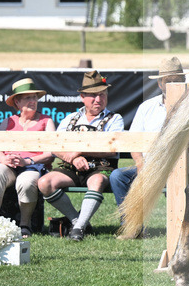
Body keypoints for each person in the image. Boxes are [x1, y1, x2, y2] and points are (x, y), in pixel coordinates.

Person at [109, 57, 189, 219]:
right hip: (149, 167)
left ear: (184, 82)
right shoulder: (147, 107)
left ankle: (186, 223)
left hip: (184, 168)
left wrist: (179, 168)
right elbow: (134, 142)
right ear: (160, 84)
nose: (172, 85)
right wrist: (140, 163)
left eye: (177, 80)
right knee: (118, 177)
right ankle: (131, 225)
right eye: (168, 81)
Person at [38, 70, 125, 241]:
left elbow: (112, 149)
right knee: (44, 183)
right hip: (71, 167)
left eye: (102, 94)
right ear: (82, 97)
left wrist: (80, 152)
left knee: (97, 181)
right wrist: (73, 158)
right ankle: (77, 221)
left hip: (100, 167)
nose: (98, 99)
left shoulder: (115, 119)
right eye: (93, 95)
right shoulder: (71, 118)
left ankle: (78, 229)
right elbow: (55, 146)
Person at [0, 78, 56, 237]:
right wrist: (4, 159)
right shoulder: (7, 121)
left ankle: (25, 224)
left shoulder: (46, 121)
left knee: (26, 181)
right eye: (27, 98)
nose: (33, 101)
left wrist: (28, 161)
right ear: (17, 102)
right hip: (9, 165)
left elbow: (51, 153)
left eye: (34, 97)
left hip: (33, 166)